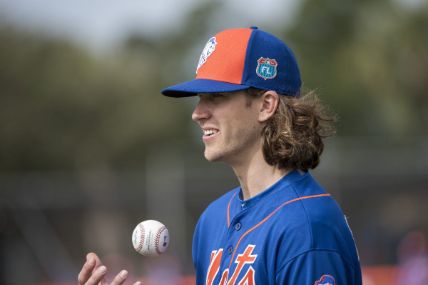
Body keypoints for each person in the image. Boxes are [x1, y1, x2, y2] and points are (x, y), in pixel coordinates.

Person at [78, 27, 362, 285]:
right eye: (200, 99)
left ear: (266, 105)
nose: (197, 113)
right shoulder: (212, 220)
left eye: (216, 97)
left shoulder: (307, 227)